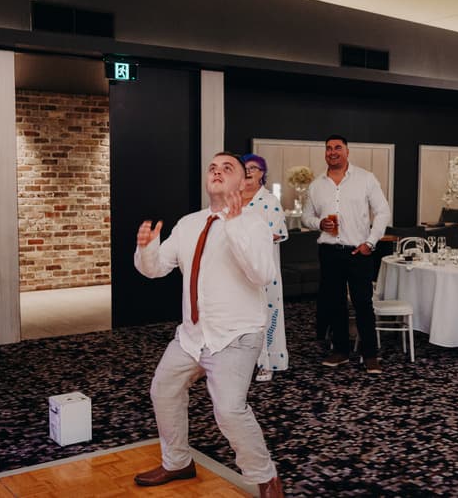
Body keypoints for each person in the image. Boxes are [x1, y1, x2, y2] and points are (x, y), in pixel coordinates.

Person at [133, 152, 284, 498]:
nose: (216, 172)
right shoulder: (188, 224)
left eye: (226, 168)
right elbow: (155, 269)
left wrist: (232, 225)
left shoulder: (254, 223)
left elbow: (261, 273)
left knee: (229, 410)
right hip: (192, 336)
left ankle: (266, 477)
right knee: (163, 390)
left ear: (242, 181)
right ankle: (177, 462)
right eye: (212, 168)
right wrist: (146, 250)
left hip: (237, 335)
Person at [301, 135, 391, 374]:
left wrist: (371, 242)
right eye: (328, 148)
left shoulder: (366, 179)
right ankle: (340, 351)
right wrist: (318, 223)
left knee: (363, 303)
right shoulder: (316, 184)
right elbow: (305, 217)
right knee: (334, 303)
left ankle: (370, 355)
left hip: (358, 251)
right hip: (329, 251)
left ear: (347, 152)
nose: (332, 152)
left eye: (337, 148)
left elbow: (383, 212)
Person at [241, 153, 289, 382]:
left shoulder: (270, 202)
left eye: (253, 167)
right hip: (236, 269)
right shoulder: (233, 199)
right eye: (245, 167)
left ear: (262, 173)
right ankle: (240, 362)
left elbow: (275, 234)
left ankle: (266, 363)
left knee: (265, 315)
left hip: (263, 269)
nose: (248, 171)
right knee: (240, 316)